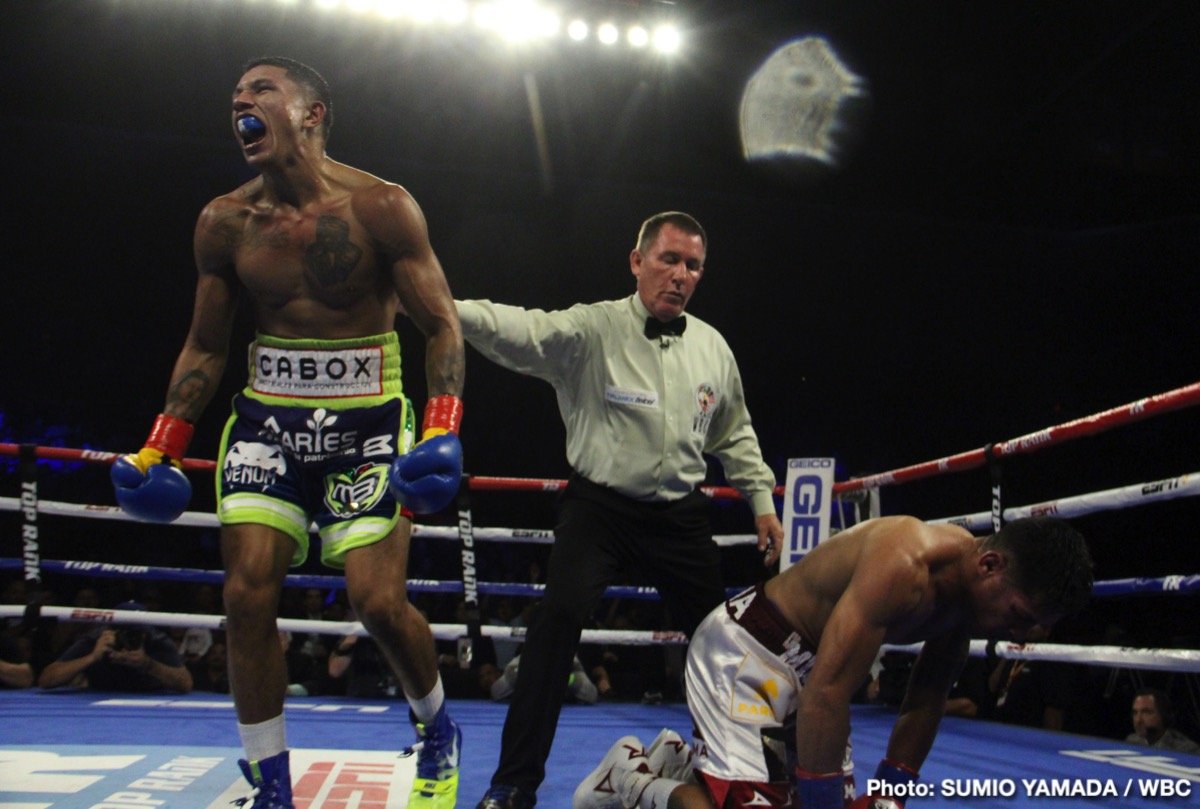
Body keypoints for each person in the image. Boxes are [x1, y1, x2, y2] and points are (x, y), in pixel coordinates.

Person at [108, 56, 465, 809]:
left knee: (375, 599)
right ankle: (272, 781)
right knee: (244, 593)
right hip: (268, 417)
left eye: (261, 90)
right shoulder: (224, 221)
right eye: (235, 95)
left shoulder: (382, 207)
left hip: (370, 414)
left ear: (311, 113)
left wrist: (442, 428)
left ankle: (436, 723)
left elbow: (441, 325)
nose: (242, 103)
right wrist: (161, 442)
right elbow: (206, 346)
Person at [460, 210, 783, 809]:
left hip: (680, 517)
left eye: (693, 265)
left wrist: (761, 500)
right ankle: (512, 783)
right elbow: (521, 330)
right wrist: (443, 310)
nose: (681, 275)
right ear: (637, 262)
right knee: (555, 627)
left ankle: (743, 773)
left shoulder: (713, 347)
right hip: (599, 510)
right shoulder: (594, 329)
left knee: (722, 646)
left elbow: (733, 434)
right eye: (669, 259)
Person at [572, 515, 1094, 809]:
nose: (1020, 635)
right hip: (748, 650)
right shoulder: (905, 562)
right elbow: (827, 694)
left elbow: (925, 699)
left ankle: (680, 762)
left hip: (814, 674)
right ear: (989, 564)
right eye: (1021, 615)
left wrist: (891, 796)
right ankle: (629, 776)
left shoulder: (968, 605)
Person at [37, 604, 193, 694]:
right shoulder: (96, 640)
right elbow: (46, 680)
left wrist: (148, 664)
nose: (131, 638)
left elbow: (186, 684)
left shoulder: (156, 640)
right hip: (100, 698)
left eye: (137, 633)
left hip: (149, 697)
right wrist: (91, 657)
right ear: (111, 630)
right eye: (125, 633)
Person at [1125, 688, 1200, 754]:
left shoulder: (1187, 750)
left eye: (1146, 712)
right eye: (1135, 713)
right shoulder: (1132, 740)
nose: (1138, 720)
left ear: (1164, 715)